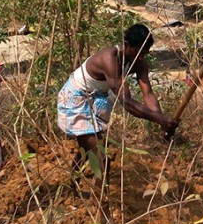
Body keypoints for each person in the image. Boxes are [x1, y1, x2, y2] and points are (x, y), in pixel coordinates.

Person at [56, 24, 177, 177]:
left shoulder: (139, 62)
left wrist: (161, 120)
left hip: (97, 97)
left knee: (87, 149)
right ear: (126, 45)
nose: (140, 57)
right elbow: (127, 102)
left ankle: (73, 186)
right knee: (101, 157)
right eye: (138, 52)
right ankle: (101, 199)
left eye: (144, 53)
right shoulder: (109, 59)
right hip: (76, 98)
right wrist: (161, 119)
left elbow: (148, 94)